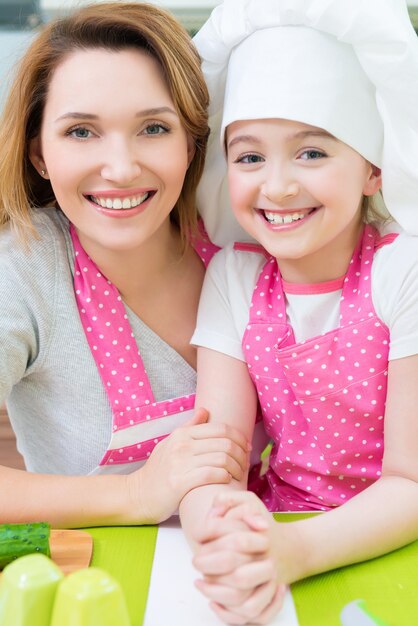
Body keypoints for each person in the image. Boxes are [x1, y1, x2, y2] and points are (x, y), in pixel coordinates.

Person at [179, 0, 418, 623]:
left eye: (311, 153)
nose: (277, 185)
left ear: (372, 168)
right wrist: (222, 527)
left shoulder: (404, 273)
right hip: (274, 529)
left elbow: (412, 485)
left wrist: (291, 550)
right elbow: (219, 454)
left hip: (391, 542)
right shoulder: (234, 276)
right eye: (250, 156)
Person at [0, 1, 251, 528]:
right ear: (39, 154)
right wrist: (136, 494)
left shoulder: (243, 239)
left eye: (153, 129)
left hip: (260, 559)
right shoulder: (23, 267)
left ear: (192, 142)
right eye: (81, 132)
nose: (120, 168)